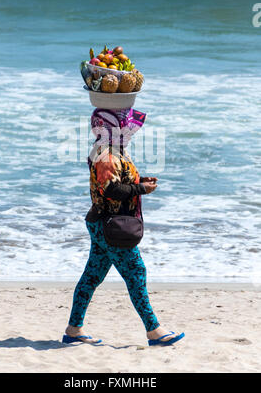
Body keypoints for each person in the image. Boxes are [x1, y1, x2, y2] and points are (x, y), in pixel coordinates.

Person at [63, 107, 184, 346]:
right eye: (125, 130)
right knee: (136, 272)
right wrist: (141, 189)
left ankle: (74, 329)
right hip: (111, 226)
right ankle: (154, 330)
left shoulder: (111, 151)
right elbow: (111, 190)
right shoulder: (106, 155)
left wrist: (141, 181)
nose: (130, 134)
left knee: (91, 277)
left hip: (101, 223)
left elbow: (119, 182)